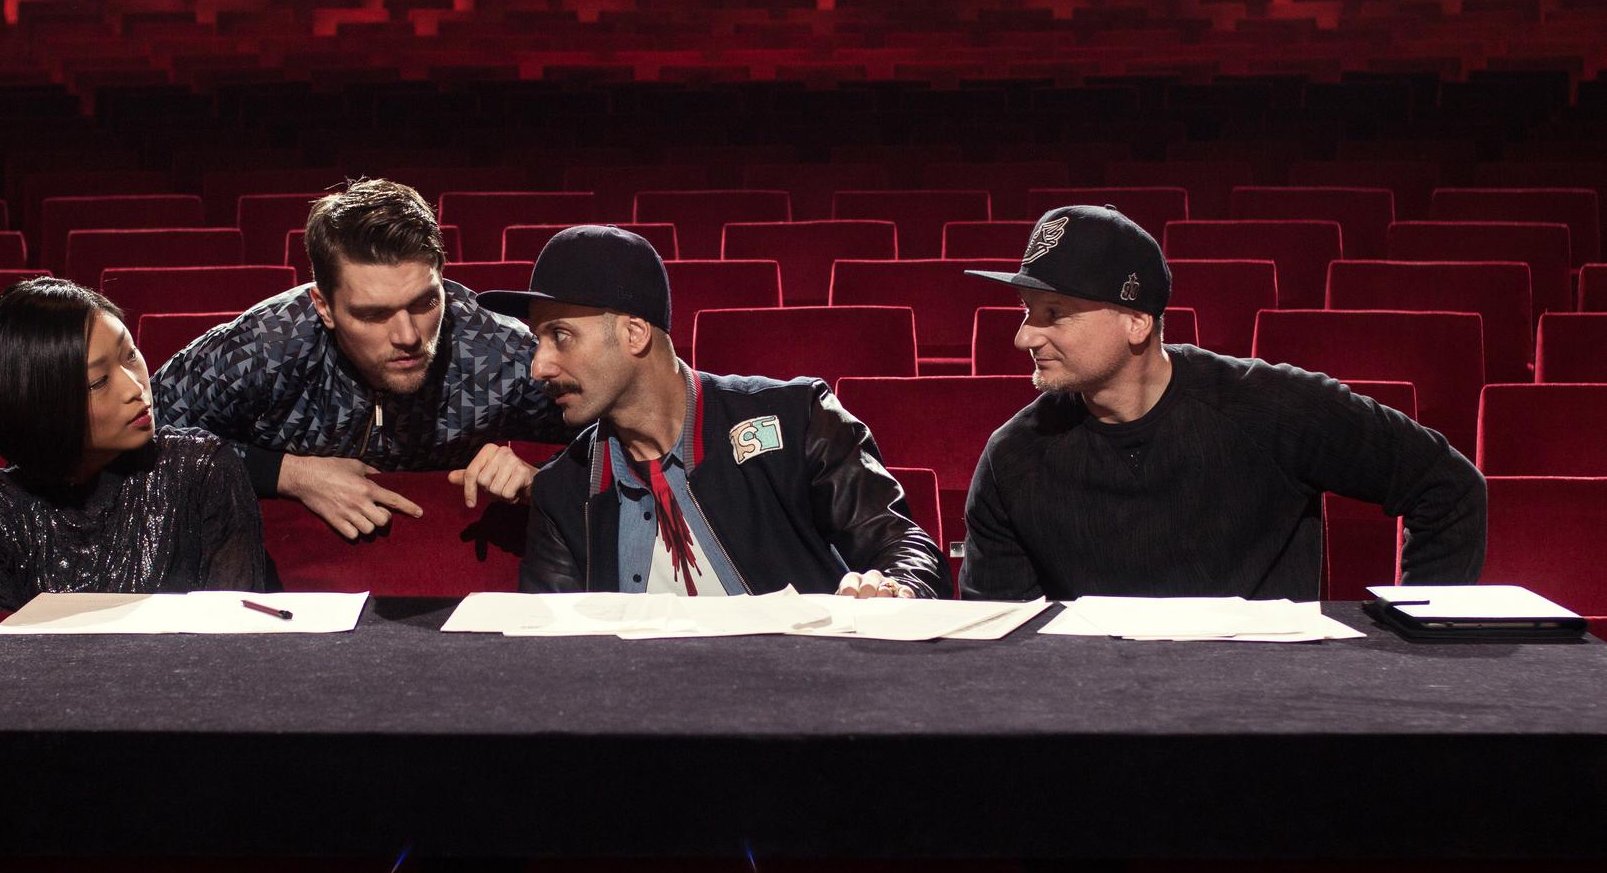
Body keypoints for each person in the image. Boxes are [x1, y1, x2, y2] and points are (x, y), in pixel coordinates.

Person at [957, 205, 1487, 602]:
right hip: (1100, 709)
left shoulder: (1271, 407)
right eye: (1026, 310)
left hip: (1267, 707)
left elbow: (1447, 488)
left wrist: (1421, 640)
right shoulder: (1013, 458)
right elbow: (1001, 640)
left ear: (1136, 322)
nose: (1024, 337)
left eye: (1053, 313)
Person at [482, 226, 944, 598]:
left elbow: (903, 546)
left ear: (634, 334)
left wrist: (895, 589)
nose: (539, 366)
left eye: (560, 336)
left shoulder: (796, 419)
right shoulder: (564, 489)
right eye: (538, 340)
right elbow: (550, 643)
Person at [151, 178, 566, 539]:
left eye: (425, 302)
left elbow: (606, 434)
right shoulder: (265, 345)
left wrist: (540, 479)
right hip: (279, 567)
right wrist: (287, 473)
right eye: (372, 314)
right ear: (324, 307)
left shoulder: (498, 351)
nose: (408, 336)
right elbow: (138, 440)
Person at [0, 278, 269, 613]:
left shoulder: (202, 470)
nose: (135, 388)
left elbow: (234, 634)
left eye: (130, 355)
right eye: (98, 381)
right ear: (39, 403)